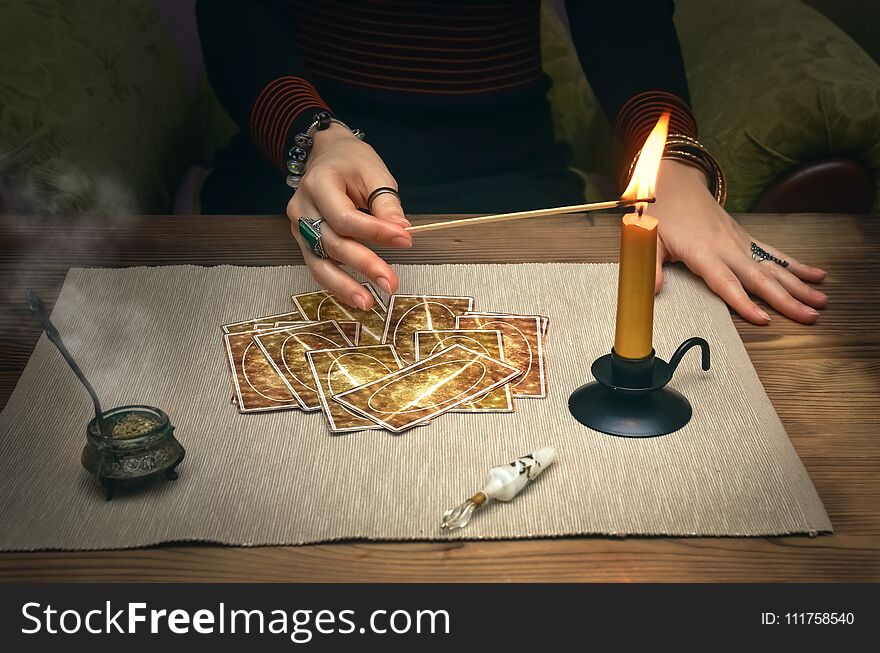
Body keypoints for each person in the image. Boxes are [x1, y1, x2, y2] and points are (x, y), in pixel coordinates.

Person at [197, 0, 827, 323]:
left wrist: (674, 163)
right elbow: (237, 16)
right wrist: (313, 137)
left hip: (518, 190)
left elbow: (621, 14)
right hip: (295, 184)